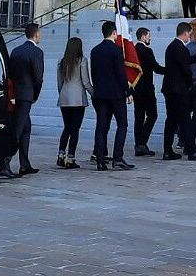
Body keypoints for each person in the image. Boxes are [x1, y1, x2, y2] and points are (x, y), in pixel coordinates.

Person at [0, 24, 45, 179]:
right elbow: (38, 77)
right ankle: (4, 163)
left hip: (16, 93)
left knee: (26, 128)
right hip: (26, 95)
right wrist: (35, 94)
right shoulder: (37, 52)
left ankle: (25, 164)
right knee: (17, 129)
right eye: (40, 33)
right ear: (36, 34)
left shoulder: (16, 51)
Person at [90, 20, 135, 171]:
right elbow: (121, 74)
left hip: (100, 94)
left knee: (101, 127)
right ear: (114, 33)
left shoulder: (95, 51)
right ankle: (118, 157)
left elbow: (94, 74)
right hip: (116, 94)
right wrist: (127, 92)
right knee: (122, 125)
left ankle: (100, 160)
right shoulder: (116, 51)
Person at [161, 23, 196, 161]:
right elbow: (186, 69)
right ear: (185, 33)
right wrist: (189, 84)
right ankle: (191, 151)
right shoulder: (181, 48)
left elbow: (183, 61)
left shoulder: (172, 47)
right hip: (179, 90)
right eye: (190, 34)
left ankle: (168, 150)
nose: (190, 37)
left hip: (169, 89)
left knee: (171, 120)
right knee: (186, 120)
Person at [55, 37, 93, 169]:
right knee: (75, 129)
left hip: (64, 98)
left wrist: (62, 94)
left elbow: (59, 83)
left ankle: (60, 154)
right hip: (77, 99)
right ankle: (70, 158)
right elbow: (86, 82)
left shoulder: (62, 61)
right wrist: (94, 94)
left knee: (67, 127)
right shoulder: (82, 61)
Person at [132, 28, 165, 157]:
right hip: (147, 89)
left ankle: (138, 144)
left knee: (139, 117)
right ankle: (141, 142)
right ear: (143, 36)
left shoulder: (133, 51)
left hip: (136, 89)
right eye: (149, 36)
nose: (150, 39)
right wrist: (171, 70)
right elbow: (156, 68)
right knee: (152, 115)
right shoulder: (147, 50)